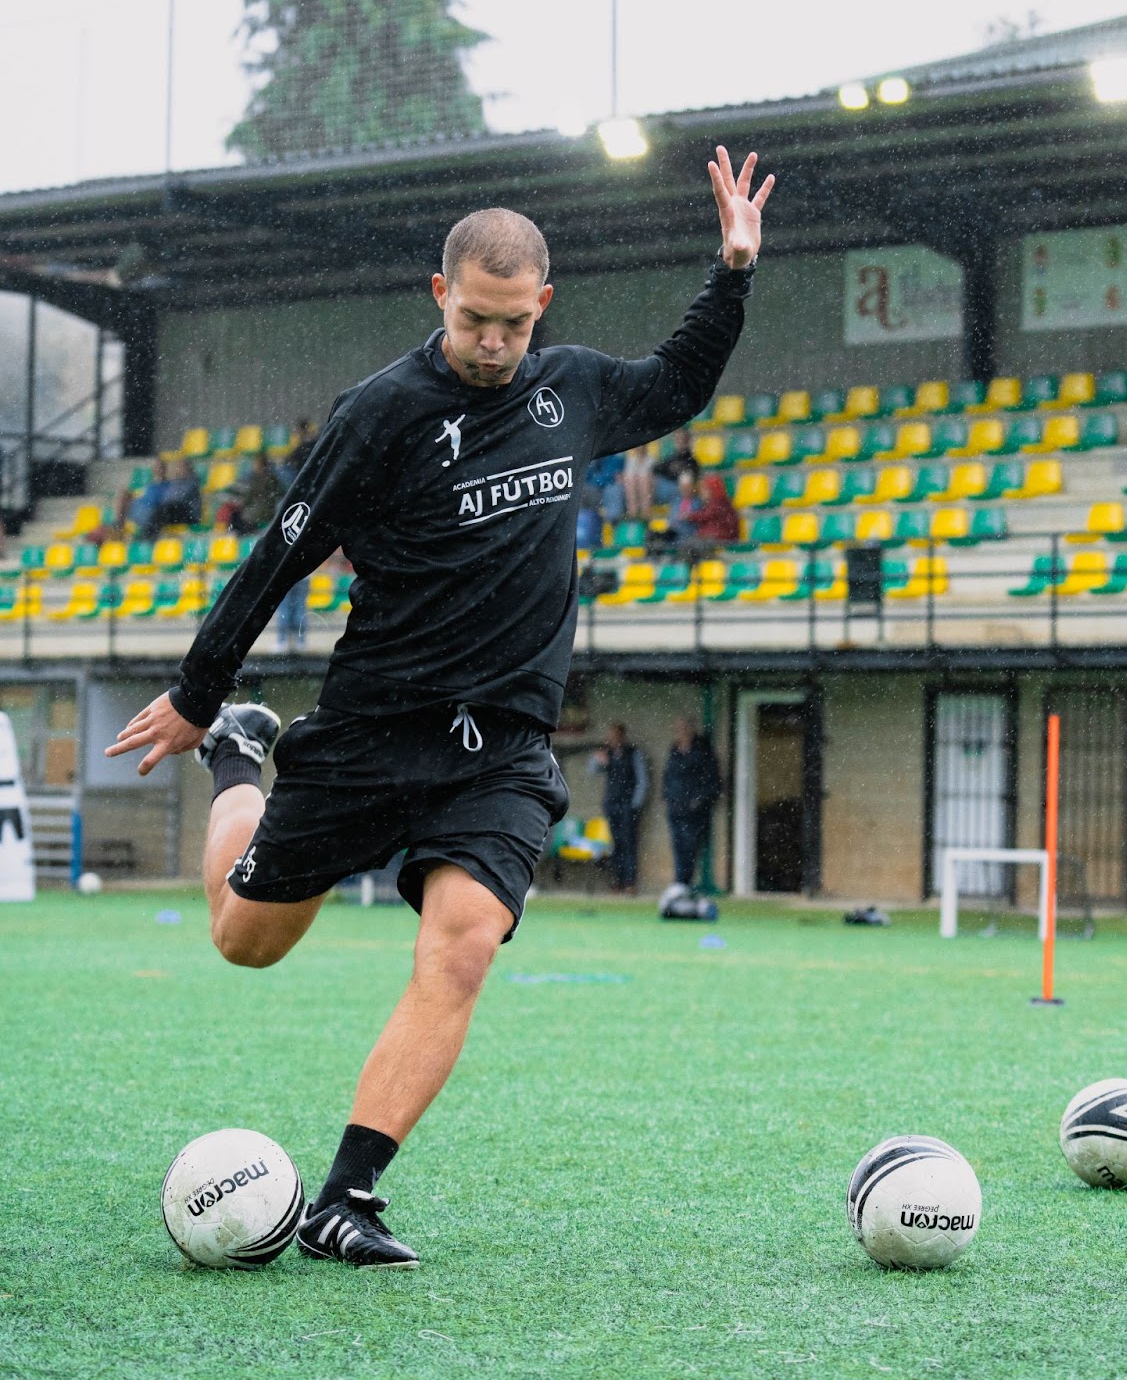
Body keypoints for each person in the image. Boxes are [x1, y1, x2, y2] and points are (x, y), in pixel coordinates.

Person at [105, 145, 774, 1269]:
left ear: (540, 307)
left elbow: (676, 384)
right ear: (440, 297)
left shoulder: (568, 391)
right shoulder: (379, 413)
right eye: (475, 320)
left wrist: (733, 272)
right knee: (245, 940)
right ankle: (239, 760)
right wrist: (197, 692)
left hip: (502, 747)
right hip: (374, 729)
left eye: (513, 323)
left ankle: (346, 1199)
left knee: (459, 947)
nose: (494, 343)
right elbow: (279, 552)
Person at [662, 716, 723, 888]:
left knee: (690, 845)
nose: (681, 731)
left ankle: (684, 882)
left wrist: (699, 800)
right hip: (675, 806)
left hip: (694, 809)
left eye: (684, 728)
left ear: (691, 729)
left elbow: (714, 780)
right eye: (679, 728)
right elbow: (668, 776)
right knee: (678, 845)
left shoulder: (702, 750)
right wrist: (667, 797)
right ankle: (679, 883)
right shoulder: (674, 750)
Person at [589, 722, 649, 893]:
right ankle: (617, 880)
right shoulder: (607, 753)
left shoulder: (633, 753)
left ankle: (630, 881)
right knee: (615, 844)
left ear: (623, 736)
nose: (611, 739)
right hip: (611, 804)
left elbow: (642, 780)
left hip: (628, 806)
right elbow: (592, 770)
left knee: (629, 843)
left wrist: (635, 804)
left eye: (615, 735)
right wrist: (597, 759)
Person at [689, 472, 740, 546]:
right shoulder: (712, 502)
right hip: (713, 536)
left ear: (712, 489)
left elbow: (708, 515)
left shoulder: (719, 502)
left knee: (692, 543)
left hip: (721, 537)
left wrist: (690, 516)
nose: (701, 493)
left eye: (704, 489)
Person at [654, 427, 699, 504]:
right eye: (678, 439)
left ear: (688, 441)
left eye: (683, 439)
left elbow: (689, 478)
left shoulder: (691, 460)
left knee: (683, 488)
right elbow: (657, 469)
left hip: (677, 489)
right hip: (666, 486)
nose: (680, 442)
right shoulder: (672, 457)